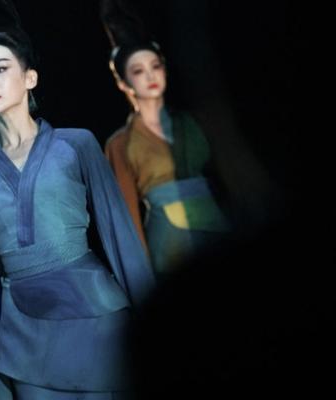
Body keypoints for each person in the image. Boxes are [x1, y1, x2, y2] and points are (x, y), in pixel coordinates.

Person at [0, 1, 155, 398]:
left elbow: (121, 240)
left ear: (30, 77)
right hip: (25, 339)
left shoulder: (76, 145)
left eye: (0, 69)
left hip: (97, 318)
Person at [101, 0, 230, 274]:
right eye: (138, 71)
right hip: (170, 239)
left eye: (155, 66)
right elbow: (127, 215)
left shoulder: (195, 123)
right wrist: (141, 272)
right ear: (123, 82)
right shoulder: (121, 143)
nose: (150, 75)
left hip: (218, 224)